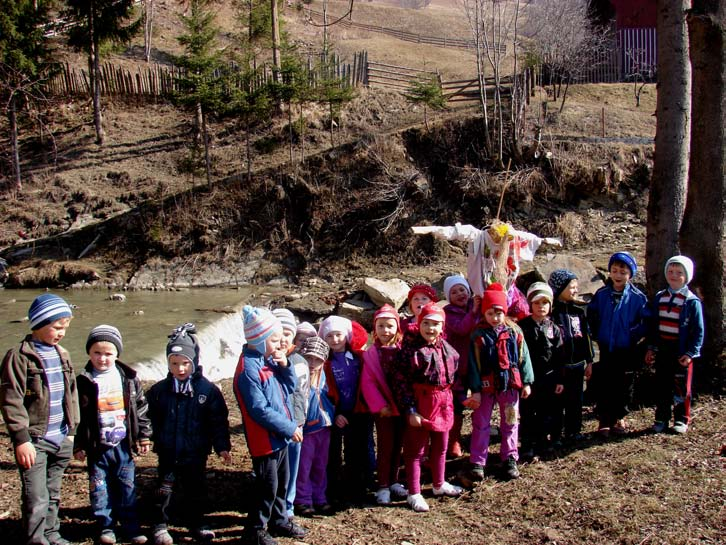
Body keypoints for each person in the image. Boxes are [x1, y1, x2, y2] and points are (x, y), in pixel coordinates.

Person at [0, 294, 79, 545]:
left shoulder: (62, 354)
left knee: (53, 492)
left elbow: (71, 394)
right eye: (57, 327)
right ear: (39, 323)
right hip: (35, 439)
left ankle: (51, 532)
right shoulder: (19, 357)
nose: (61, 333)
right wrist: (21, 438)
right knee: (36, 495)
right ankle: (35, 538)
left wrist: (72, 430)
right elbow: (11, 400)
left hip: (61, 436)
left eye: (64, 328)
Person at [147, 323, 231, 545]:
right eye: (174, 364)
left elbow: (218, 421)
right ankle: (160, 524)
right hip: (168, 450)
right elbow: (149, 418)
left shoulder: (207, 391)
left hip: (196, 451)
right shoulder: (158, 391)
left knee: (196, 489)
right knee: (163, 488)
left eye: (185, 363)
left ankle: (197, 522)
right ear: (168, 363)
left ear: (194, 362)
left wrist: (222, 445)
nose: (180, 369)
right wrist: (146, 437)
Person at [234, 307, 306, 545]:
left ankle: (279, 519)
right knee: (267, 485)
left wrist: (285, 366)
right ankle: (255, 529)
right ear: (259, 339)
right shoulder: (248, 369)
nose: (280, 344)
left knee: (282, 481)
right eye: (274, 340)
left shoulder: (269, 359)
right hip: (265, 439)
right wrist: (289, 427)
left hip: (280, 434)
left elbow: (290, 388)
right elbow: (258, 409)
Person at [74, 325, 152, 545]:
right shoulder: (83, 380)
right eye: (97, 352)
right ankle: (105, 527)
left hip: (123, 445)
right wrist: (78, 444)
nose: (102, 358)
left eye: (109, 353)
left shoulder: (128, 378)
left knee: (127, 487)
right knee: (99, 488)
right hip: (97, 447)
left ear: (117, 354)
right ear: (89, 353)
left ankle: (131, 527)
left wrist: (143, 435)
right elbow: (77, 415)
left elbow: (140, 408)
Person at [393, 302, 462, 512]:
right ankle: (414, 492)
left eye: (435, 324)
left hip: (444, 401)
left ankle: (439, 483)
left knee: (441, 446)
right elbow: (400, 382)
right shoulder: (410, 350)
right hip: (421, 401)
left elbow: (453, 372)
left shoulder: (445, 346)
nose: (430, 328)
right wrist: (411, 409)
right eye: (427, 323)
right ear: (419, 323)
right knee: (416, 450)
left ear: (442, 327)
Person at [467, 283, 533, 481]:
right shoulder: (478, 335)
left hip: (510, 385)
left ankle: (510, 457)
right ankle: (478, 461)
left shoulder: (515, 332)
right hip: (486, 386)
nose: (495, 318)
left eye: (498, 313)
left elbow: (524, 358)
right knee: (481, 422)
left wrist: (527, 381)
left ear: (504, 312)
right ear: (484, 313)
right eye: (490, 313)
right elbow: (473, 364)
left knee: (511, 421)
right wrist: (475, 389)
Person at [588, 252, 650, 437]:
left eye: (622, 272)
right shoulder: (602, 294)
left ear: (630, 274)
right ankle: (604, 419)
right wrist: (597, 333)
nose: (618, 275)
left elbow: (645, 321)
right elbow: (592, 315)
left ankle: (619, 417)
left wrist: (633, 335)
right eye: (614, 271)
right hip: (606, 346)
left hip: (627, 348)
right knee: (605, 382)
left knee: (624, 384)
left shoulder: (638, 297)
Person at [645, 256, 704, 435]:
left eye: (679, 273)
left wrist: (691, 352)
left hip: (681, 351)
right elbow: (654, 325)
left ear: (687, 276)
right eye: (670, 272)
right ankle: (661, 418)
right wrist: (651, 347)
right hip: (663, 348)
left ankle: (681, 419)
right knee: (662, 385)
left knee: (681, 387)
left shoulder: (691, 301)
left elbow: (698, 330)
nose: (674, 275)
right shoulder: (660, 298)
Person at [319, 315, 370, 506]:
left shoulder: (358, 358)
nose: (335, 340)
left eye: (338, 335)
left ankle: (356, 487)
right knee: (333, 452)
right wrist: (335, 412)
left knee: (356, 449)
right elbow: (325, 391)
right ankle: (333, 488)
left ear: (346, 335)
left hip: (358, 410)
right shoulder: (325, 362)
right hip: (336, 412)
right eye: (330, 336)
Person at [361, 304, 408, 506]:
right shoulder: (372, 353)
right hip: (384, 409)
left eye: (389, 326)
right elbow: (368, 382)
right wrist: (380, 405)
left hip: (402, 404)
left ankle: (395, 480)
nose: (385, 331)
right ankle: (382, 484)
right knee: (386, 445)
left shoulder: (402, 350)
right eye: (381, 326)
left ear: (397, 328)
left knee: (399, 444)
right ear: (375, 330)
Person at [518, 283, 564, 457]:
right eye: (537, 303)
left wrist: (559, 379)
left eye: (545, 303)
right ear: (530, 305)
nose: (541, 306)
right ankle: (527, 444)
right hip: (529, 378)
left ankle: (544, 441)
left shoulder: (554, 328)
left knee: (546, 410)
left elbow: (560, 356)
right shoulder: (523, 327)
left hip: (549, 378)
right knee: (528, 411)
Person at [548, 269, 594, 443]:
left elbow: (586, 338)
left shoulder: (579, 312)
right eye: (571, 287)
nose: (575, 290)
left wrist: (589, 360)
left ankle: (574, 431)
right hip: (559, 367)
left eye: (576, 287)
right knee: (557, 401)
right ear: (559, 289)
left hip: (577, 365)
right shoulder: (552, 313)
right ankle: (556, 434)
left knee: (576, 400)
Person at [272, 309, 309, 520]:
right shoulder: (266, 361)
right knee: (275, 469)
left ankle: (288, 504)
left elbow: (303, 394)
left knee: (292, 468)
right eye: (279, 334)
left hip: (297, 425)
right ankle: (273, 503)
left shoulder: (299, 362)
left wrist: (301, 422)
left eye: (288, 334)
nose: (283, 339)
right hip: (276, 427)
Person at [294, 336, 334, 516]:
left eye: (317, 359)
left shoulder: (325, 377)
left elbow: (331, 400)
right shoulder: (299, 377)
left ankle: (320, 496)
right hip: (307, 430)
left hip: (324, 427)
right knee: (304, 466)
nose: (312, 363)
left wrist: (336, 415)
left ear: (323, 361)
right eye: (308, 357)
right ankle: (303, 499)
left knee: (320, 464)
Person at [442, 275, 480, 458]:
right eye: (454, 292)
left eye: (462, 289)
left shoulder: (475, 305)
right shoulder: (448, 313)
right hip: (456, 367)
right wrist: (473, 312)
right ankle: (453, 441)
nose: (460, 294)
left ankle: (479, 436)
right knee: (457, 404)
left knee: (479, 401)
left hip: (477, 363)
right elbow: (462, 328)